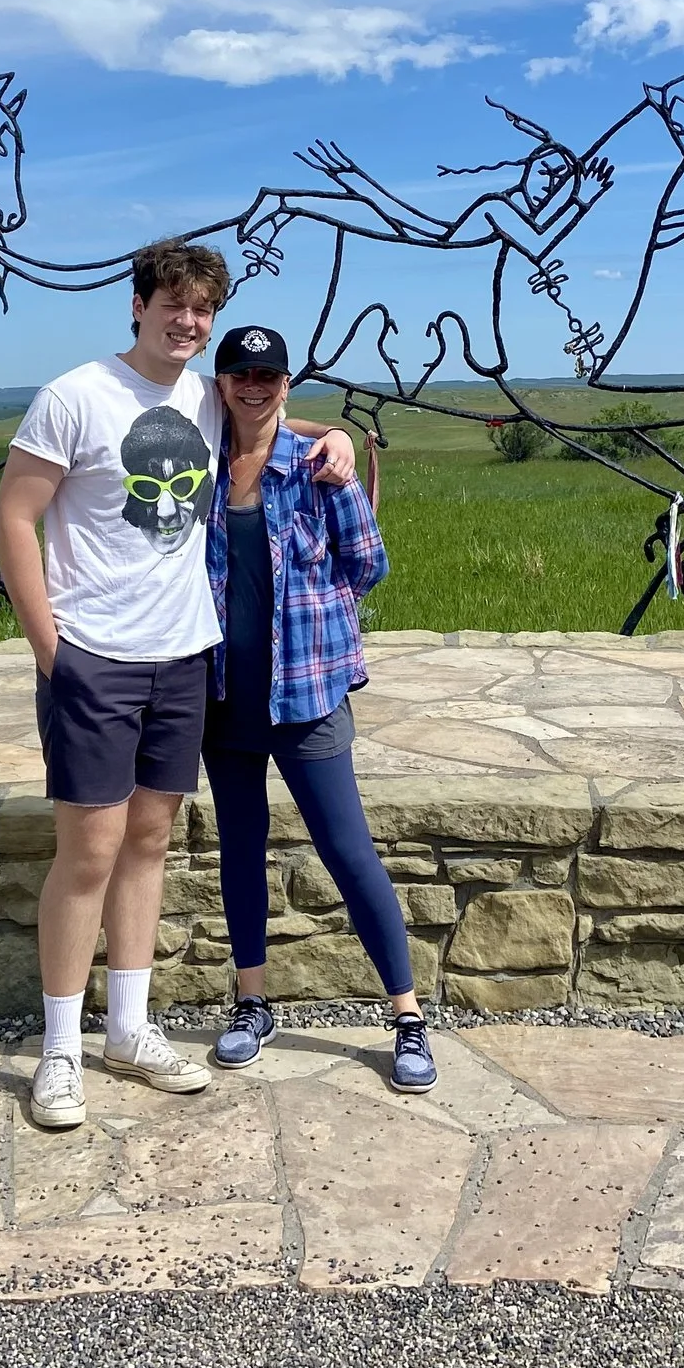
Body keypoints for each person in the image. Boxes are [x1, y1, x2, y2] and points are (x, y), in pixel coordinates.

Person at [0, 240, 356, 1130]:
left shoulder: (202, 391)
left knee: (149, 841)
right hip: (96, 657)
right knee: (87, 852)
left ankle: (129, 1028)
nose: (188, 322)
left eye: (202, 309)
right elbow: (13, 515)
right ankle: (60, 1051)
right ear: (138, 305)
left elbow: (267, 421)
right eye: (173, 305)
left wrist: (335, 433)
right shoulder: (75, 396)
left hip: (187, 654)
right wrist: (52, 651)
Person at [200, 323, 435, 1092]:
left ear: (286, 381)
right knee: (240, 845)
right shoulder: (196, 462)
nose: (255, 385)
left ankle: (405, 1016)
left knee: (347, 847)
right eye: (241, 373)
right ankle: (252, 1001)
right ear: (221, 381)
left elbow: (368, 564)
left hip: (304, 691)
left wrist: (317, 614)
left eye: (269, 374)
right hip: (223, 694)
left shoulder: (315, 466)